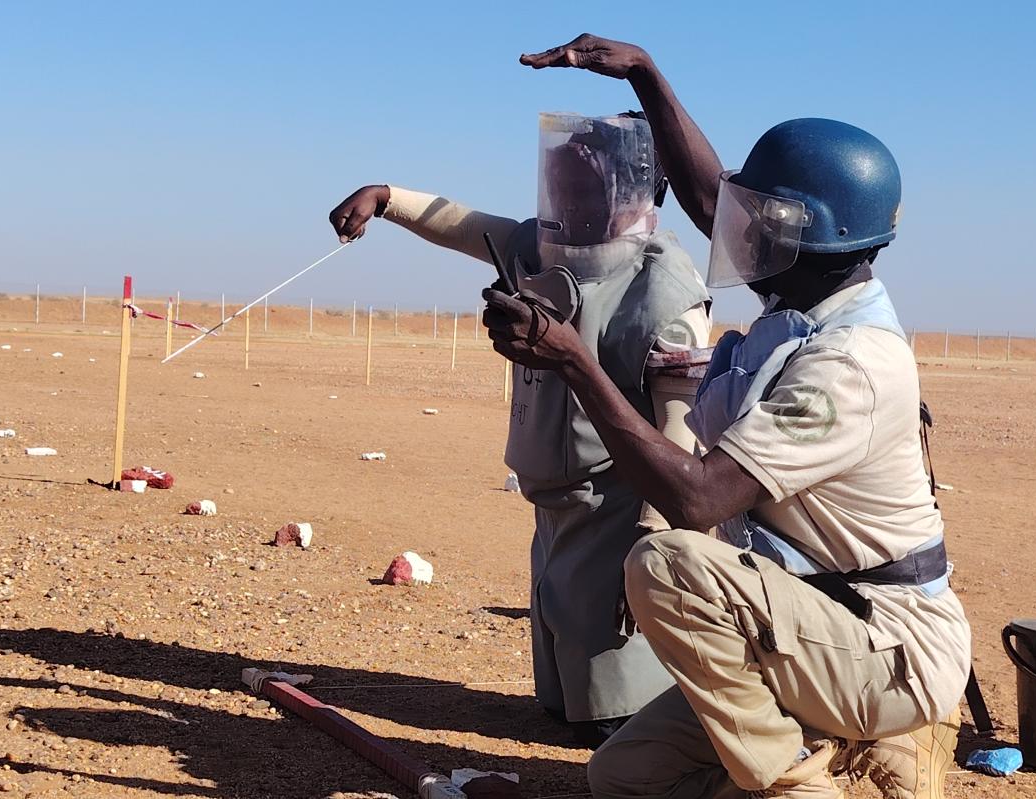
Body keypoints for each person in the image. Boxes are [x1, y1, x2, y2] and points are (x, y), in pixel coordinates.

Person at [482, 35, 972, 798]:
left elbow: (698, 498)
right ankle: (842, 748)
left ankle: (797, 781)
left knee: (667, 562)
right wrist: (646, 75)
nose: (741, 229)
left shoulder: (849, 365)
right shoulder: (806, 295)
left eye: (768, 217)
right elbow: (712, 199)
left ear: (812, 236)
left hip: (886, 644)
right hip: (809, 626)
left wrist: (572, 359)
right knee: (624, 777)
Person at [328, 111, 713, 747]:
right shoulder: (540, 248)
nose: (567, 201)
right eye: (561, 185)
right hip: (551, 503)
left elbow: (680, 430)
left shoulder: (664, 291)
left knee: (612, 707)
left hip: (617, 511)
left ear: (630, 188)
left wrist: (652, 552)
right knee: (561, 690)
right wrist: (387, 197)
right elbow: (467, 226)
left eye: (584, 186)